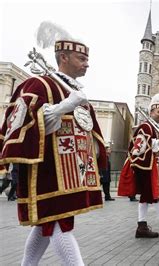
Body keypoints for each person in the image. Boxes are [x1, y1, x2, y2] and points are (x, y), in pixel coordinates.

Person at [0, 38, 108, 265]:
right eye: (82, 58)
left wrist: (96, 152)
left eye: (88, 59)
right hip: (48, 169)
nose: (87, 64)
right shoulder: (39, 84)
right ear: (63, 57)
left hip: (72, 170)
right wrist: (64, 106)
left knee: (47, 223)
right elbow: (24, 122)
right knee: (59, 223)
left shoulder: (76, 90)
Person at [118, 94, 159, 239]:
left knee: (146, 197)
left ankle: (141, 227)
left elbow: (156, 151)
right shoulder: (145, 126)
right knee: (158, 195)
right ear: (151, 112)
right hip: (146, 168)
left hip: (153, 167)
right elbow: (138, 147)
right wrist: (158, 142)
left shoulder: (152, 128)